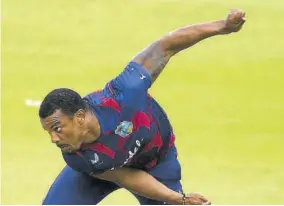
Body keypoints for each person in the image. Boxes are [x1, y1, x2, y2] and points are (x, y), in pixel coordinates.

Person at [39, 9, 246, 205]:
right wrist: (179, 199)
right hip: (107, 168)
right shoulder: (74, 153)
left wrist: (221, 26)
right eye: (48, 131)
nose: (54, 139)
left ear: (80, 116)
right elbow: (124, 176)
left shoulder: (122, 95)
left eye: (57, 128)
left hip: (155, 162)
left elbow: (165, 47)